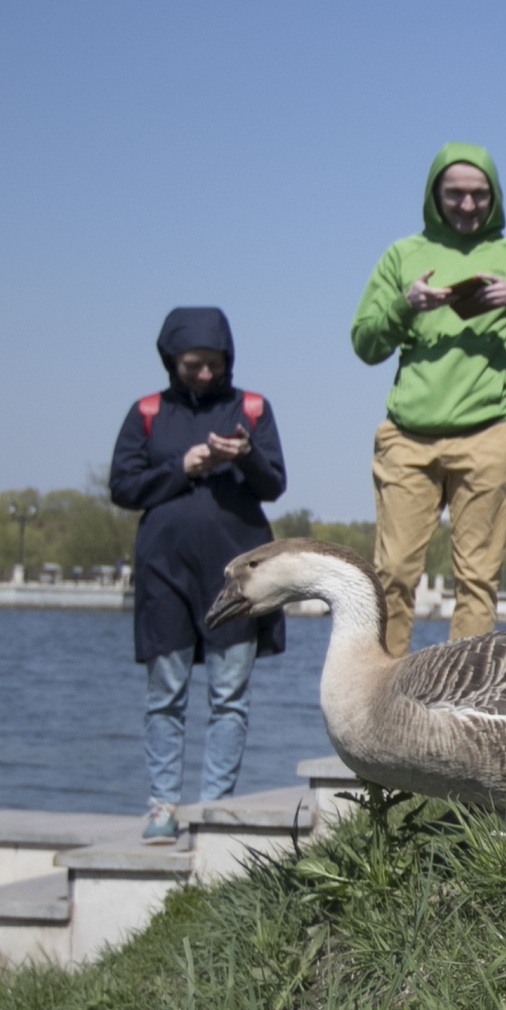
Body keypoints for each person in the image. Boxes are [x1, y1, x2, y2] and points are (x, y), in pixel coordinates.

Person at [350, 143, 506, 653]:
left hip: (489, 435)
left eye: (478, 194)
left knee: (477, 583)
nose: (468, 205)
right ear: (435, 194)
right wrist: (404, 307)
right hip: (407, 438)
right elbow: (365, 344)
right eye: (455, 194)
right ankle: (381, 699)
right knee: (392, 575)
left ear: (494, 195)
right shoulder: (401, 255)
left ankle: (460, 704)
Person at [108, 309, 287, 843]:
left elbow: (275, 484)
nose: (204, 375)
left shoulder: (252, 409)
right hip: (164, 572)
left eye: (213, 365)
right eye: (192, 365)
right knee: (166, 692)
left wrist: (247, 455)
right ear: (171, 361)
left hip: (236, 576)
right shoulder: (146, 412)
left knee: (229, 696)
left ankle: (214, 811)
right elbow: (122, 487)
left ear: (227, 359)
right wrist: (180, 468)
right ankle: (162, 807)